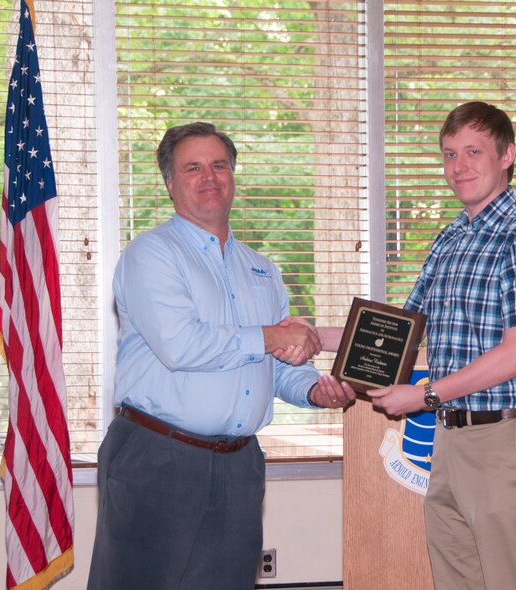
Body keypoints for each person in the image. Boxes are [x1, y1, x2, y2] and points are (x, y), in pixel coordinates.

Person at [87, 122, 355, 590]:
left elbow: (275, 363)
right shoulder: (151, 255)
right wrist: (273, 337)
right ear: (170, 184)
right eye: (193, 167)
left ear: (233, 176)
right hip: (158, 458)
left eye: (220, 165)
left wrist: (315, 390)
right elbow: (183, 345)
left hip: (238, 465)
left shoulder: (262, 269)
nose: (209, 176)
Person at [368, 102, 516, 589]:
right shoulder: (451, 238)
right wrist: (310, 337)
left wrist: (426, 394)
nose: (458, 166)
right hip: (453, 439)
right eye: (449, 154)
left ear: (507, 155)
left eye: (473, 151)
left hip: (508, 441)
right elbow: (405, 327)